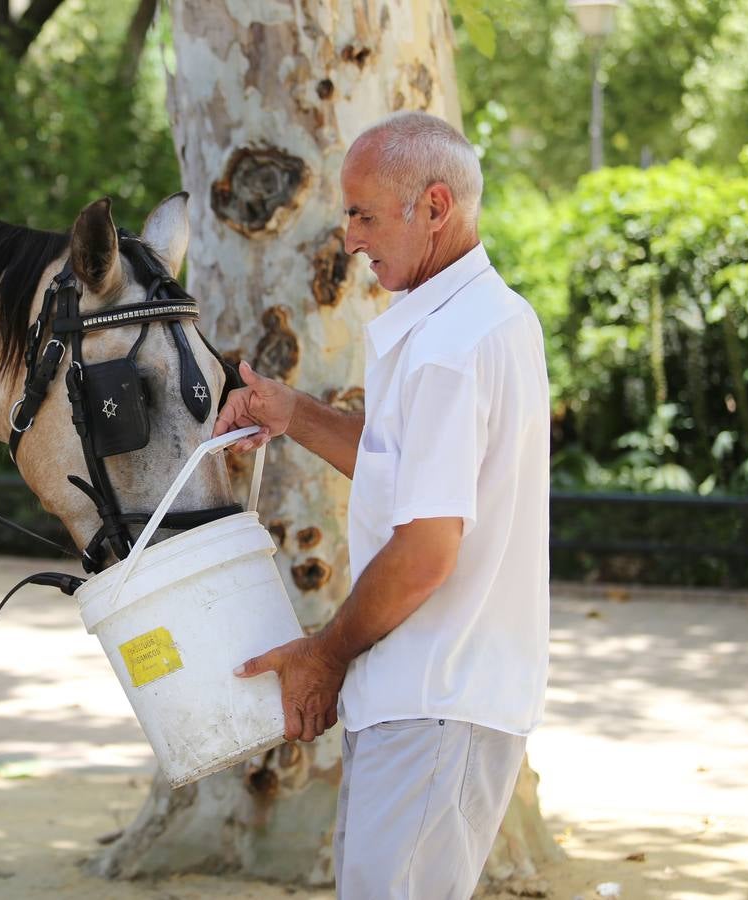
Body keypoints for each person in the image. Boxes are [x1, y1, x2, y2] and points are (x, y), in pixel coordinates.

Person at [213, 112, 551, 897]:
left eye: (365, 213)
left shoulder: (451, 346)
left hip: (438, 694)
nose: (349, 236)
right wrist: (290, 412)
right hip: (432, 695)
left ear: (435, 206)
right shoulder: (487, 318)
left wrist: (322, 659)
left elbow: (427, 550)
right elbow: (406, 474)